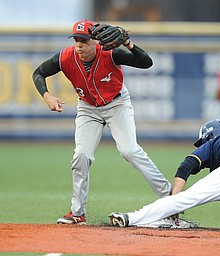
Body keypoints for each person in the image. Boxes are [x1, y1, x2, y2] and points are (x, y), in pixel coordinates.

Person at [32, 20, 172, 225]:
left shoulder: (111, 53)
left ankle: (170, 197)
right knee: (81, 155)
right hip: (88, 108)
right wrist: (47, 97)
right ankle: (77, 213)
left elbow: (146, 63)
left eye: (84, 40)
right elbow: (39, 73)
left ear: (95, 41)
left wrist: (128, 44)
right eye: (76, 40)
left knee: (130, 151)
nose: (79, 45)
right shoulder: (66, 57)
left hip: (117, 104)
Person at [109, 119, 220, 231]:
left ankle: (129, 217)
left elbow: (186, 166)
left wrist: (174, 201)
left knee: (186, 199)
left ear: (209, 136)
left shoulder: (217, 141)